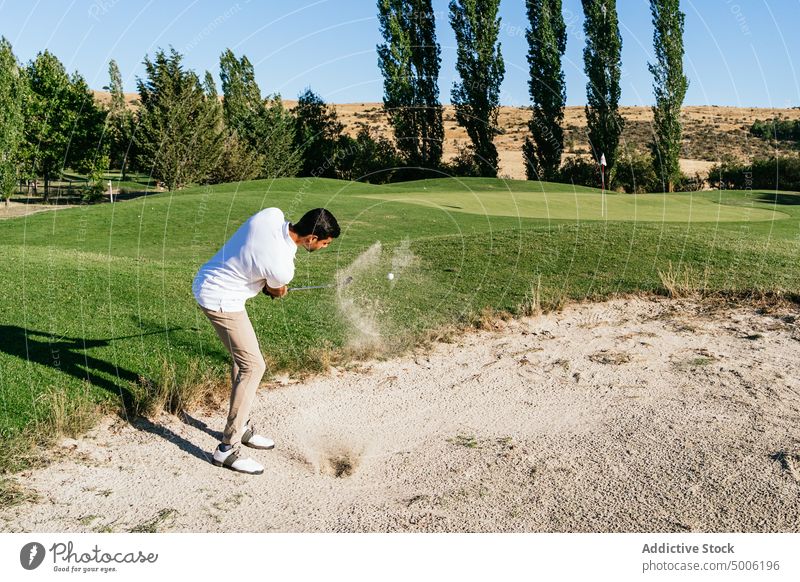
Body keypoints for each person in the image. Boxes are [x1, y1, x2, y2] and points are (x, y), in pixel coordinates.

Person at [193, 207, 340, 474]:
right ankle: (227, 449)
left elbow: (257, 260)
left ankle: (242, 425)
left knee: (244, 360)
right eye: (325, 243)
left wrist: (266, 283)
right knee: (253, 366)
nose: (324, 248)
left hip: (214, 281)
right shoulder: (283, 267)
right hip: (220, 298)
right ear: (311, 239)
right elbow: (276, 288)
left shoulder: (271, 215)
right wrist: (277, 290)